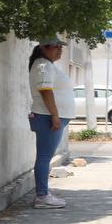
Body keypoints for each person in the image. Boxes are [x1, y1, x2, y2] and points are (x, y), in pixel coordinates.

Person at [28, 37, 75, 209]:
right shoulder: (43, 65)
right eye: (56, 47)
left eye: (60, 47)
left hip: (51, 117)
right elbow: (46, 92)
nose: (59, 50)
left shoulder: (47, 65)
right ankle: (42, 196)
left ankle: (43, 194)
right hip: (48, 117)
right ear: (44, 48)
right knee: (44, 158)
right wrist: (55, 115)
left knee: (44, 157)